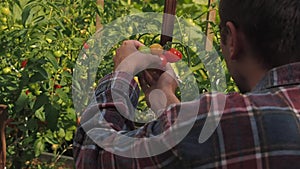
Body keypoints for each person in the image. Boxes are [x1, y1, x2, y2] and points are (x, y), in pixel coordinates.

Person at [73, 0, 300, 168]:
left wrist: (121, 76)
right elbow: (194, 146)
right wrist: (165, 96)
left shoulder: (224, 120)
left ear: (232, 40)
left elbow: (93, 157)